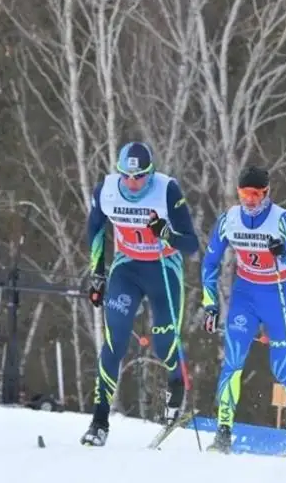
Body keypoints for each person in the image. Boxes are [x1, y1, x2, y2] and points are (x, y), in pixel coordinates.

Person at [80, 142, 199, 447]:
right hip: (127, 268)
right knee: (115, 339)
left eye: (140, 176)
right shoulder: (106, 190)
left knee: (163, 342)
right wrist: (97, 273)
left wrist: (167, 234)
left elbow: (191, 244)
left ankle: (176, 385)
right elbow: (95, 229)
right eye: (127, 176)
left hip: (163, 269)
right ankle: (99, 420)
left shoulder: (167, 190)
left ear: (151, 172)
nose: (133, 183)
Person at [200, 165, 286, 455]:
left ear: (266, 193)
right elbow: (209, 264)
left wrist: (284, 254)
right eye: (243, 194)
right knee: (233, 359)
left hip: (277, 294)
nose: (249, 200)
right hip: (245, 294)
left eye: (255, 194)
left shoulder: (283, 220)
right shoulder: (229, 220)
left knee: (281, 367)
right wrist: (210, 304)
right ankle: (223, 431)